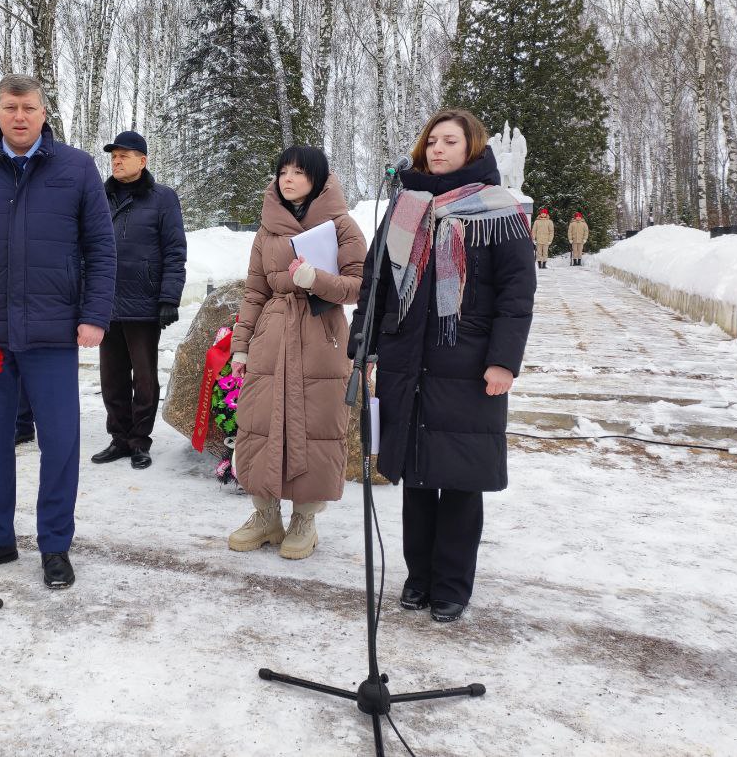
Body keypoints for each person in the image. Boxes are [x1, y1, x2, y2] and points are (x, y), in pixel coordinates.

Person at [0, 74, 115, 590]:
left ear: (43, 113)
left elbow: (101, 249)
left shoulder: (76, 168)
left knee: (59, 442)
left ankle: (54, 544)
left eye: (28, 107)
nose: (19, 116)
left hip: (53, 331)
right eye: (9, 107)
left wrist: (95, 315)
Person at [354, 107, 535, 622]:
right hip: (407, 361)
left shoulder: (498, 210)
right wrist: (364, 343)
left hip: (469, 363)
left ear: (472, 149)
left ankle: (452, 584)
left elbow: (516, 293)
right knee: (415, 475)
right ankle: (418, 577)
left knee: (458, 479)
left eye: (450, 141)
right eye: (432, 140)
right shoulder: (403, 207)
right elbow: (376, 284)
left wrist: (503, 361)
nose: (437, 149)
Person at [226, 146, 366, 560]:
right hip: (272, 335)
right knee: (260, 422)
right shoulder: (267, 229)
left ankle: (305, 519)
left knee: (316, 424)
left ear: (318, 178)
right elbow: (255, 291)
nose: (288, 178)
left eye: (298, 172)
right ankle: (265, 515)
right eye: (282, 171)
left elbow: (360, 284)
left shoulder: (342, 225)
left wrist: (318, 280)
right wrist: (242, 345)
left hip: (321, 336)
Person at [90, 130, 186, 471]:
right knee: (111, 377)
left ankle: (139, 441)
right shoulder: (98, 197)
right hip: (105, 302)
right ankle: (118, 438)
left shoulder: (162, 198)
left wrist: (168, 297)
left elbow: (175, 251)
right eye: (114, 156)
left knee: (144, 378)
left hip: (143, 302)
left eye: (124, 155)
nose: (116, 160)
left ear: (142, 161)